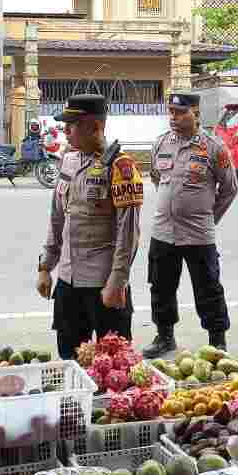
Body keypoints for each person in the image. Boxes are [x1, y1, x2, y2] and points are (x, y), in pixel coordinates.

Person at [37, 94, 143, 360]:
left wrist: (117, 282)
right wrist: (45, 267)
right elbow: (57, 218)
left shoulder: (122, 167)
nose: (65, 130)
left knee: (115, 362)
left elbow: (128, 233)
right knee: (70, 358)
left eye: (72, 124)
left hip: (103, 284)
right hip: (68, 280)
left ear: (95, 126)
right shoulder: (68, 161)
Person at [142, 93, 238, 357]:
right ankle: (165, 337)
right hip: (163, 232)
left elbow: (229, 189)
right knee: (161, 287)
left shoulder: (213, 148)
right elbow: (156, 178)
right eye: (170, 112)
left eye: (179, 112)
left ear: (195, 113)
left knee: (208, 289)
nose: (173, 117)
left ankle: (217, 341)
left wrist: (209, 217)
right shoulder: (161, 143)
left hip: (199, 235)